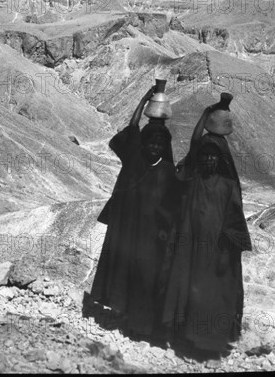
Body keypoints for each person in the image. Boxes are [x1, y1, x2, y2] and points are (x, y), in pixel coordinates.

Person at [90, 86, 183, 340]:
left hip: (150, 235)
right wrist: (143, 101)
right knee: (122, 269)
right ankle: (121, 315)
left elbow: (173, 204)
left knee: (145, 275)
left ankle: (139, 322)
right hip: (126, 227)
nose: (154, 146)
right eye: (151, 141)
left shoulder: (166, 170)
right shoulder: (134, 158)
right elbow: (132, 131)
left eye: (159, 143)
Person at [160, 104, 252, 357]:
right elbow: (194, 143)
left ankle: (210, 346)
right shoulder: (192, 180)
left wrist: (227, 252)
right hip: (190, 249)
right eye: (205, 156)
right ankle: (187, 339)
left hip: (215, 252)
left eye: (214, 156)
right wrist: (205, 114)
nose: (209, 159)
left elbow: (234, 221)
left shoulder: (227, 185)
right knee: (190, 291)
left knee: (212, 296)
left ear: (220, 160)